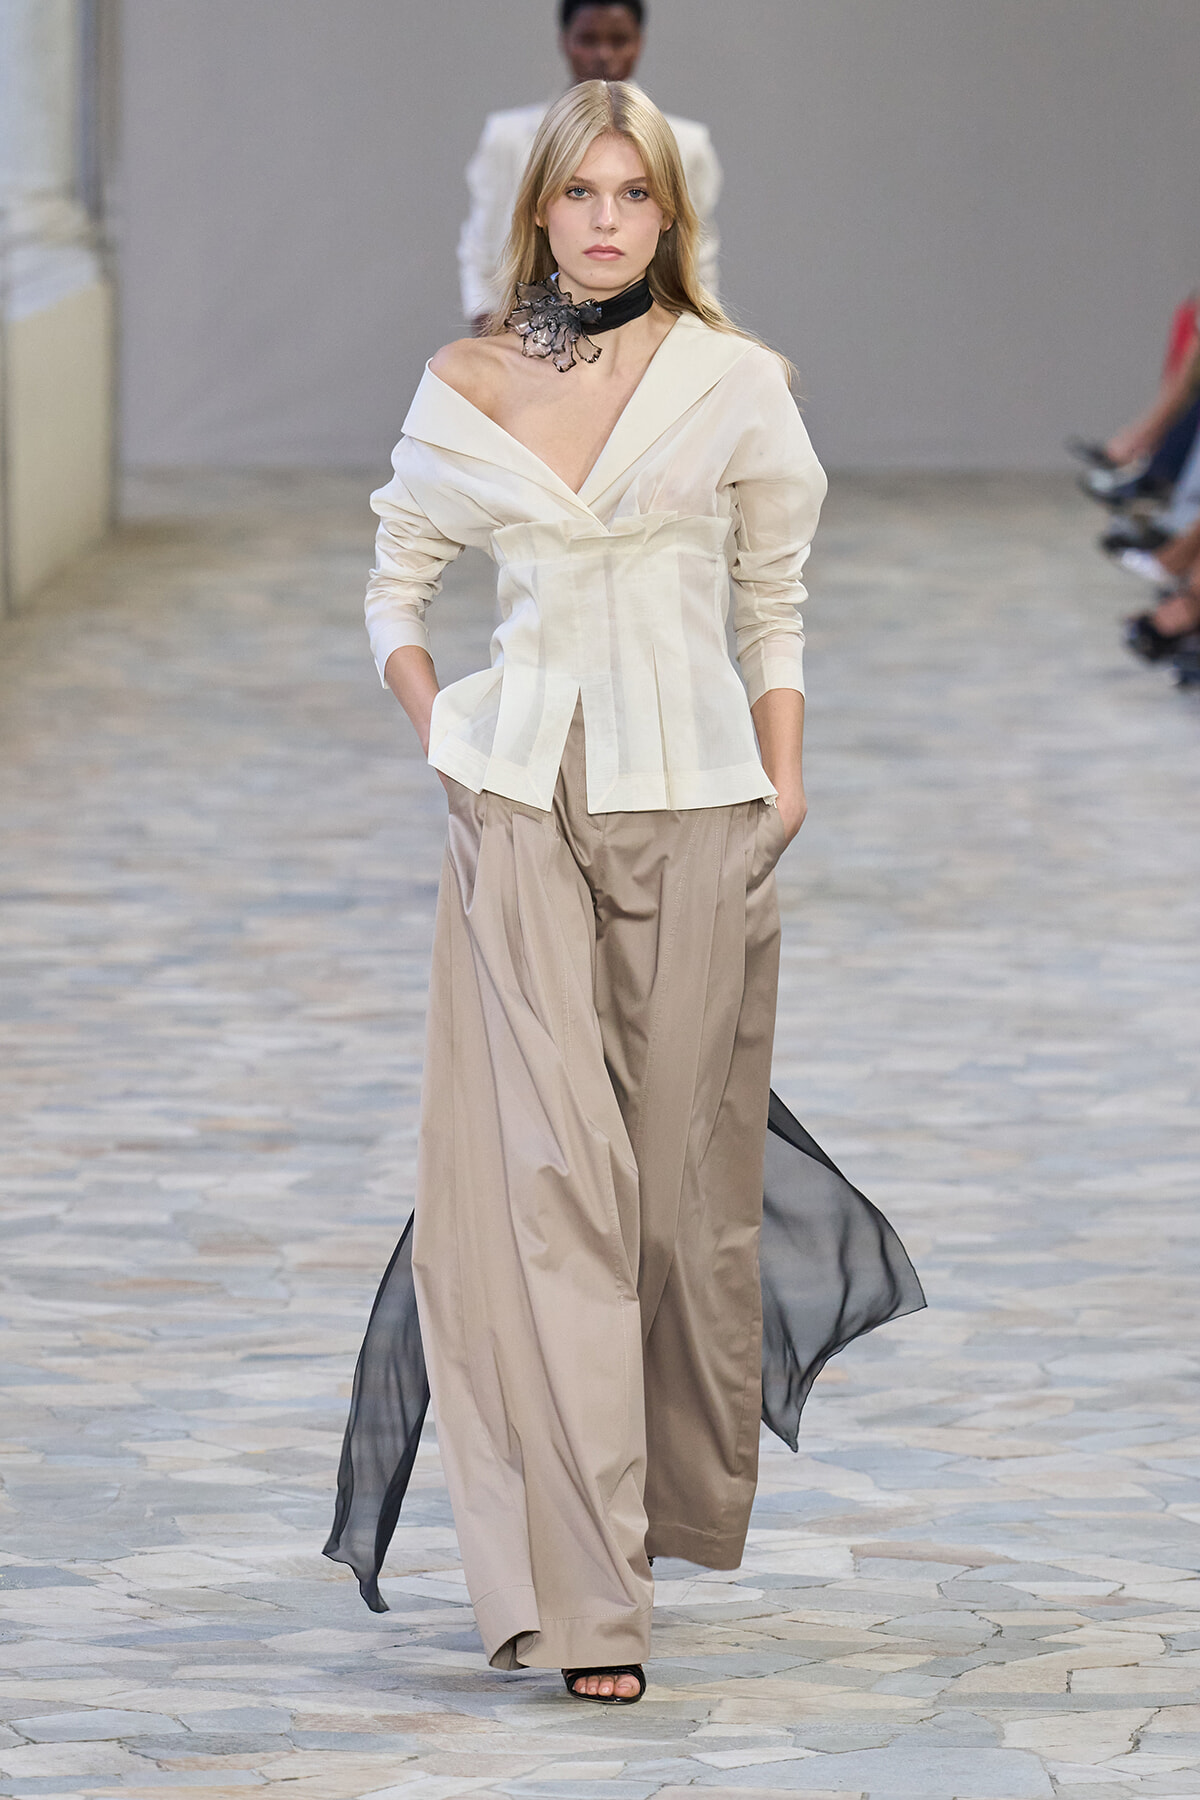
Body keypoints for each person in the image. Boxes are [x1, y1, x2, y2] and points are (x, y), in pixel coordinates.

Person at [326, 80, 923, 1705]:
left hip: (701, 811)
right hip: (519, 808)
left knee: (676, 1204)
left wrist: (788, 777)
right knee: (552, 1194)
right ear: (536, 212)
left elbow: (774, 596)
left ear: (671, 218)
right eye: (580, 193)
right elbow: (393, 578)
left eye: (633, 196)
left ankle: (643, 1508)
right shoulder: (469, 381)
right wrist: (438, 730)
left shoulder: (733, 384)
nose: (605, 220)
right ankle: (588, 1603)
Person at [458, 0, 721, 330]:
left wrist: (696, 341)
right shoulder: (509, 138)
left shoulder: (685, 144)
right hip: (527, 336)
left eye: (636, 193)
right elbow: (484, 244)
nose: (603, 55)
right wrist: (494, 340)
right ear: (564, 40)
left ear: (640, 41)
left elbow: (696, 256)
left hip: (653, 337)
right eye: (577, 191)